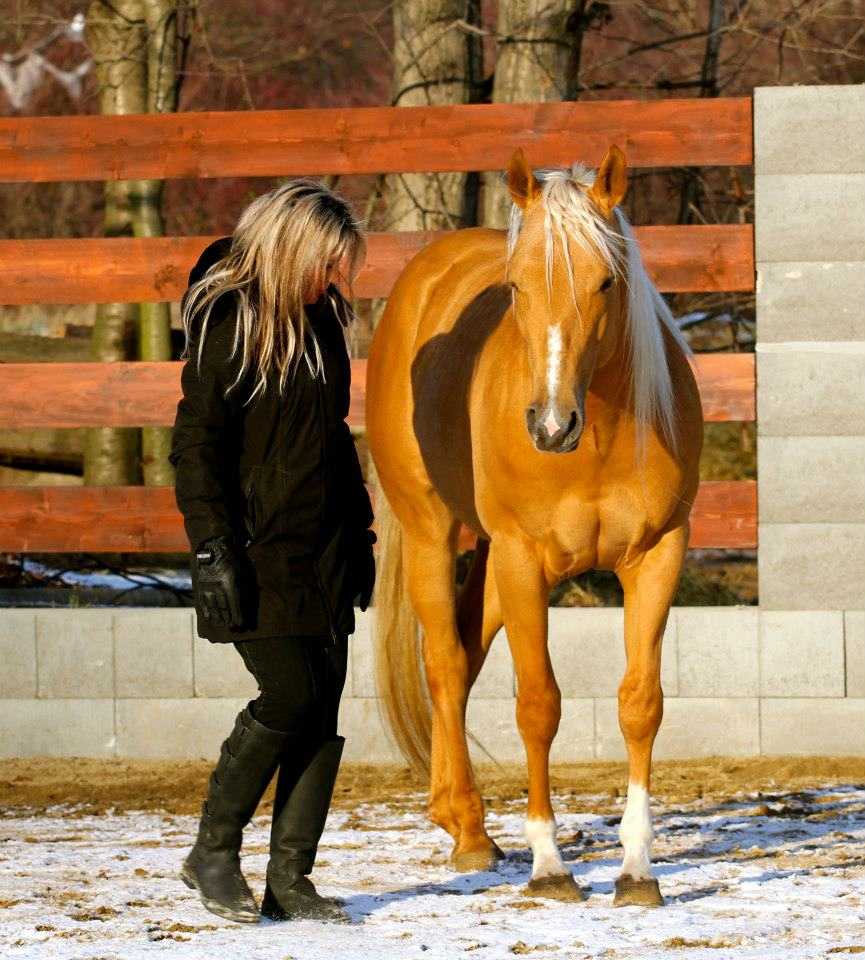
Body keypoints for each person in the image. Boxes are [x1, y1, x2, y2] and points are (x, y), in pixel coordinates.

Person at [168, 179, 376, 925]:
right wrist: (211, 548)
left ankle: (290, 877)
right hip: (256, 551)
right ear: (291, 249)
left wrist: (361, 534)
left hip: (324, 548)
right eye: (326, 261)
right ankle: (212, 853)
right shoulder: (231, 320)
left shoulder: (320, 320)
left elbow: (332, 438)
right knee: (287, 695)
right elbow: (196, 444)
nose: (335, 276)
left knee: (320, 708)